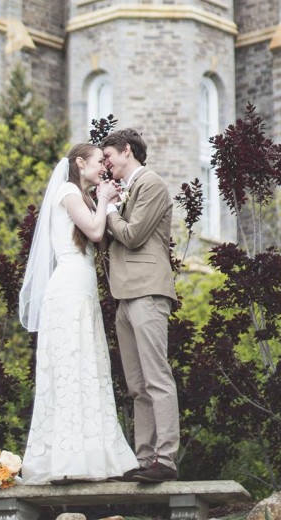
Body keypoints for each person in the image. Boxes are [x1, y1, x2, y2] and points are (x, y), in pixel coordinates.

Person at [19, 143, 138, 484]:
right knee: (72, 368)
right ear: (79, 163)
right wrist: (104, 200)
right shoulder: (69, 191)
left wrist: (108, 201)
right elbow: (96, 231)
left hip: (82, 289)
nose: (104, 166)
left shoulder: (82, 197)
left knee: (88, 368)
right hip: (68, 288)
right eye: (99, 161)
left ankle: (93, 457)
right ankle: (67, 461)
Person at [102, 128, 180, 483]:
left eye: (109, 157)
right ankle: (144, 459)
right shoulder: (124, 189)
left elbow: (132, 235)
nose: (106, 164)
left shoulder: (151, 184)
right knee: (136, 385)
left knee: (157, 377)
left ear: (127, 150)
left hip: (148, 291)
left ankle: (166, 459)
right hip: (124, 295)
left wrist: (110, 209)